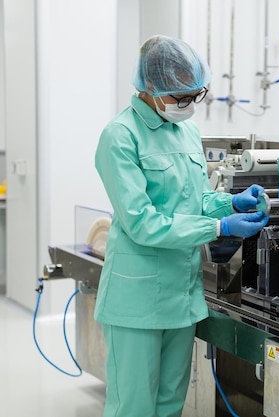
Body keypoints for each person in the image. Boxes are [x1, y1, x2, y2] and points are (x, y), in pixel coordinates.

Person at [93, 35, 268, 417]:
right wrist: (219, 228)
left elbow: (197, 199)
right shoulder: (120, 137)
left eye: (195, 95)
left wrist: (230, 201)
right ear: (150, 87)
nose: (188, 106)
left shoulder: (186, 131)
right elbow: (142, 223)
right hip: (136, 301)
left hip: (181, 297)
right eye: (181, 98)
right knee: (134, 407)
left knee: (171, 405)